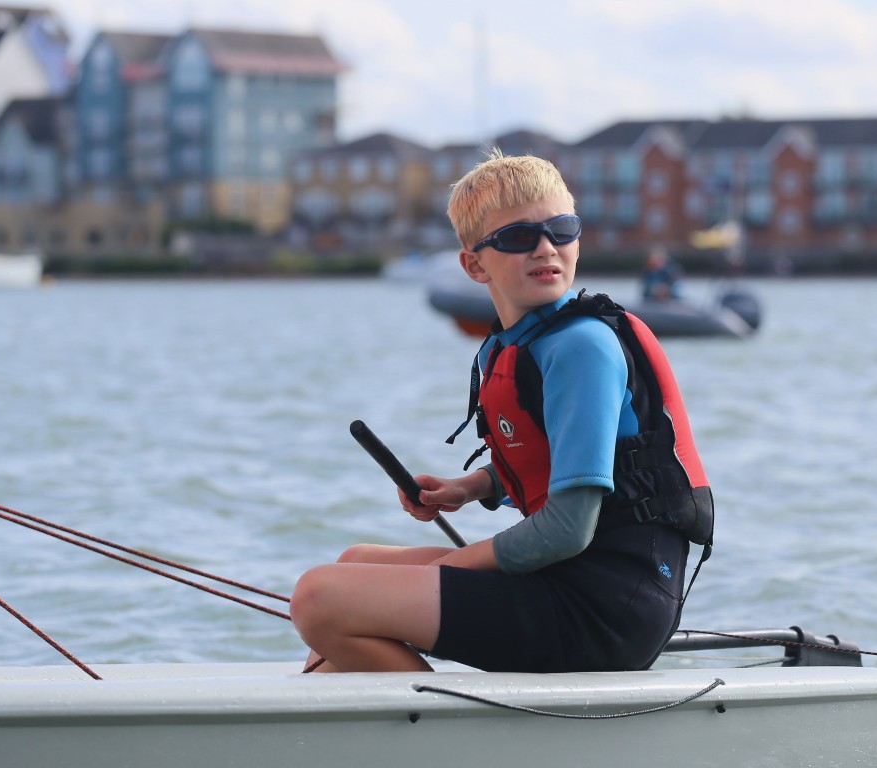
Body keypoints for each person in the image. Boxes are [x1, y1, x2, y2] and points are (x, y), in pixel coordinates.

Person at [290, 149, 712, 674]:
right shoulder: (519, 345)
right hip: (560, 578)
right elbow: (554, 459)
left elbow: (568, 528)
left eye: (561, 230)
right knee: (355, 565)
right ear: (474, 264)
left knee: (319, 597)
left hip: (605, 608)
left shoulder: (582, 346)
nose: (546, 247)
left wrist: (450, 567)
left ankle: (431, 722)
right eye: (518, 237)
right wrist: (468, 487)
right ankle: (340, 710)